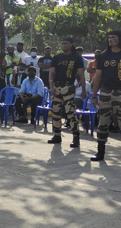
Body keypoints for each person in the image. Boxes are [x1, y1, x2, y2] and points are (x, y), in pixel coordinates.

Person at [48, 37, 86, 146]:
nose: (64, 45)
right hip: (57, 86)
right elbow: (51, 73)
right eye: (62, 43)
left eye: (66, 43)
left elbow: (81, 75)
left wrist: (83, 90)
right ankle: (57, 135)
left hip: (69, 87)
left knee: (71, 113)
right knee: (55, 111)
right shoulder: (56, 57)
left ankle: (76, 137)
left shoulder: (76, 58)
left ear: (71, 45)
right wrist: (51, 86)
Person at [90, 31, 121, 161]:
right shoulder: (103, 56)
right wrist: (94, 96)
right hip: (105, 92)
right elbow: (98, 77)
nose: (111, 40)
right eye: (109, 38)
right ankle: (100, 152)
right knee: (102, 122)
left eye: (114, 37)